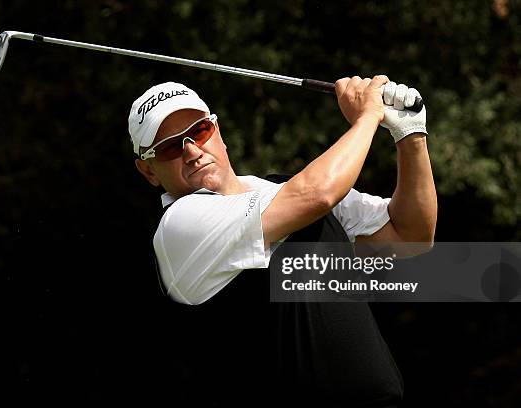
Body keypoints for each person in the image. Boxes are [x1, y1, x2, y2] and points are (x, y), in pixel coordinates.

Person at [128, 76, 437, 407]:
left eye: (200, 131)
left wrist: (410, 136)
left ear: (217, 131)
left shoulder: (284, 189)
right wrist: (368, 117)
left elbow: (411, 236)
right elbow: (318, 194)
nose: (192, 151)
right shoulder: (180, 225)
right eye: (171, 147)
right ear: (148, 171)